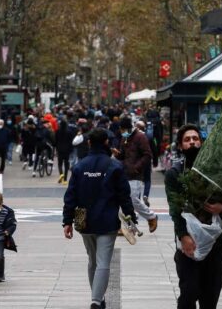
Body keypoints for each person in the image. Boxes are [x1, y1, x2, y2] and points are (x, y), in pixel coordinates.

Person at [165, 124, 222, 309]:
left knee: (210, 297)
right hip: (189, 242)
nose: (192, 142)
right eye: (187, 140)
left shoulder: (217, 170)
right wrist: (183, 236)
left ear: (202, 142)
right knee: (189, 293)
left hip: (217, 242)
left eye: (195, 139)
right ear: (181, 146)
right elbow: (175, 209)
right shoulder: (175, 174)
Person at [62, 128, 136, 309]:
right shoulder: (114, 166)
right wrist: (130, 217)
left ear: (88, 143)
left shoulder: (79, 166)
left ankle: (98, 298)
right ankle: (96, 300)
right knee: (104, 261)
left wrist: (67, 221)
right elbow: (124, 196)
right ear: (106, 143)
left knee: (92, 260)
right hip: (107, 220)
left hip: (84, 221)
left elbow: (70, 195)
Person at [113, 117, 158, 232]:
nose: (122, 132)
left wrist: (136, 168)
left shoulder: (140, 137)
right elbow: (123, 155)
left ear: (128, 128)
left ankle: (151, 216)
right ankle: (128, 226)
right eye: (121, 130)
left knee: (133, 200)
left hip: (135, 174)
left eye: (123, 130)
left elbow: (148, 155)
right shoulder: (124, 138)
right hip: (124, 173)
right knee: (124, 200)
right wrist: (118, 154)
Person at [55, 119, 75, 185]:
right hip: (67, 149)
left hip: (59, 149)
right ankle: (65, 180)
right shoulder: (69, 132)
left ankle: (61, 174)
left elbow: (56, 140)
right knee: (66, 164)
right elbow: (71, 141)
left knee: (60, 163)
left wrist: (56, 148)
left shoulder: (57, 131)